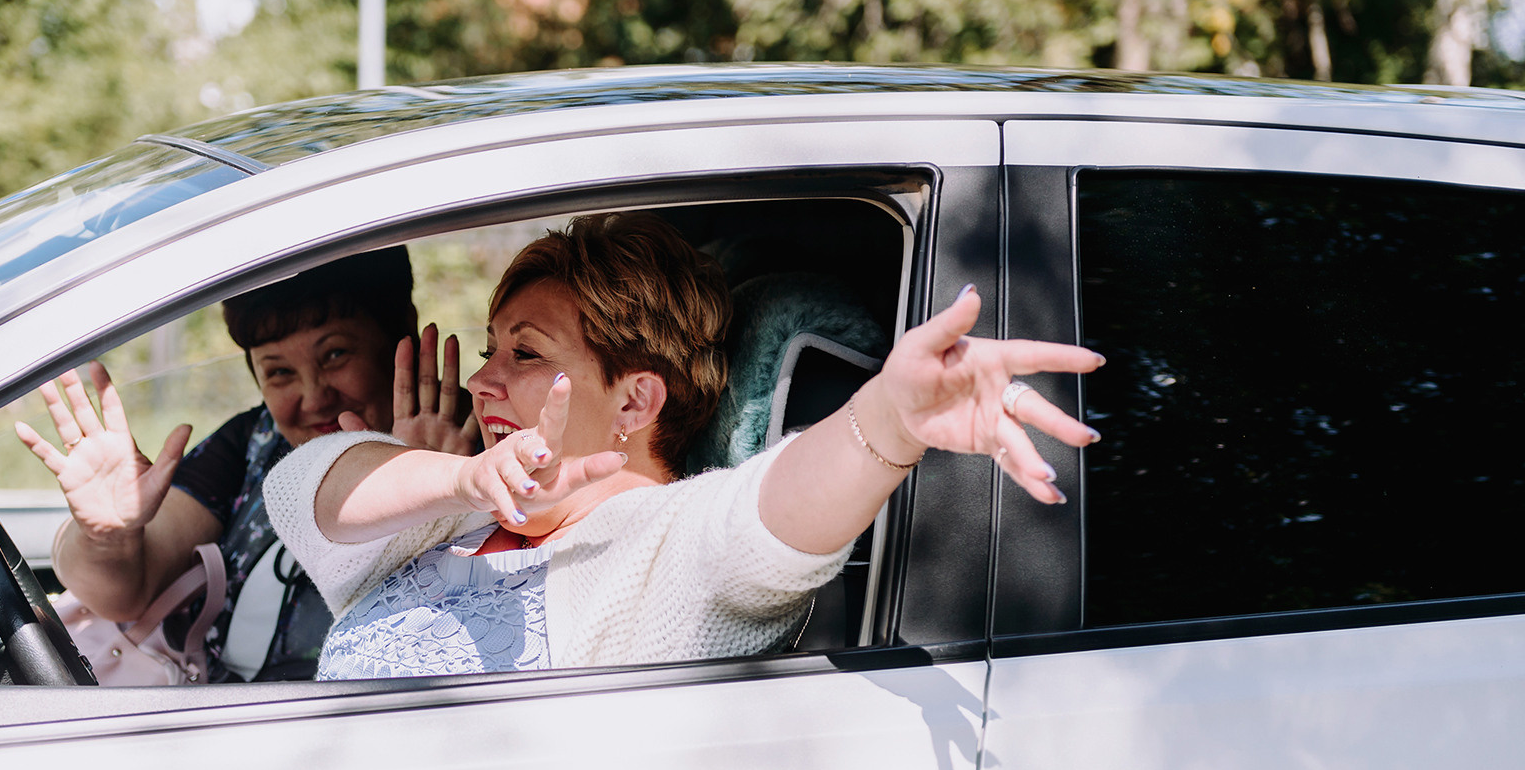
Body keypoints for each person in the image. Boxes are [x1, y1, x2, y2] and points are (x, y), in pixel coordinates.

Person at [262, 213, 1101, 680]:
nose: (483, 383)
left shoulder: (662, 547)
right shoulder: (458, 511)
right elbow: (300, 491)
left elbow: (769, 519)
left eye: (525, 354)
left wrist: (888, 419)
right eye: (490, 350)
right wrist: (465, 479)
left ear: (635, 398)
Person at [16, 248, 478, 682]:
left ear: (402, 329)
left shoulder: (476, 450)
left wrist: (435, 491)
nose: (314, 397)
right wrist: (108, 540)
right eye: (279, 372)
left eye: (336, 354)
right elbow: (126, 591)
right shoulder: (254, 441)